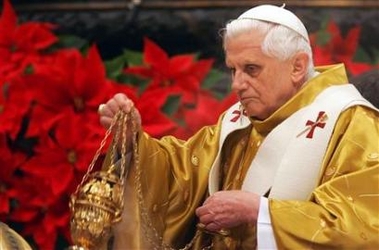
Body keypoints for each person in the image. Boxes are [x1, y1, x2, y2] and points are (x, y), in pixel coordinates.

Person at [97, 4, 379, 249]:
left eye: (251, 69)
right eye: (233, 70)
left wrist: (260, 212)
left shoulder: (351, 124)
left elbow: (363, 229)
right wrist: (133, 142)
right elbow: (180, 175)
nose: (237, 85)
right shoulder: (238, 121)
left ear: (297, 67)